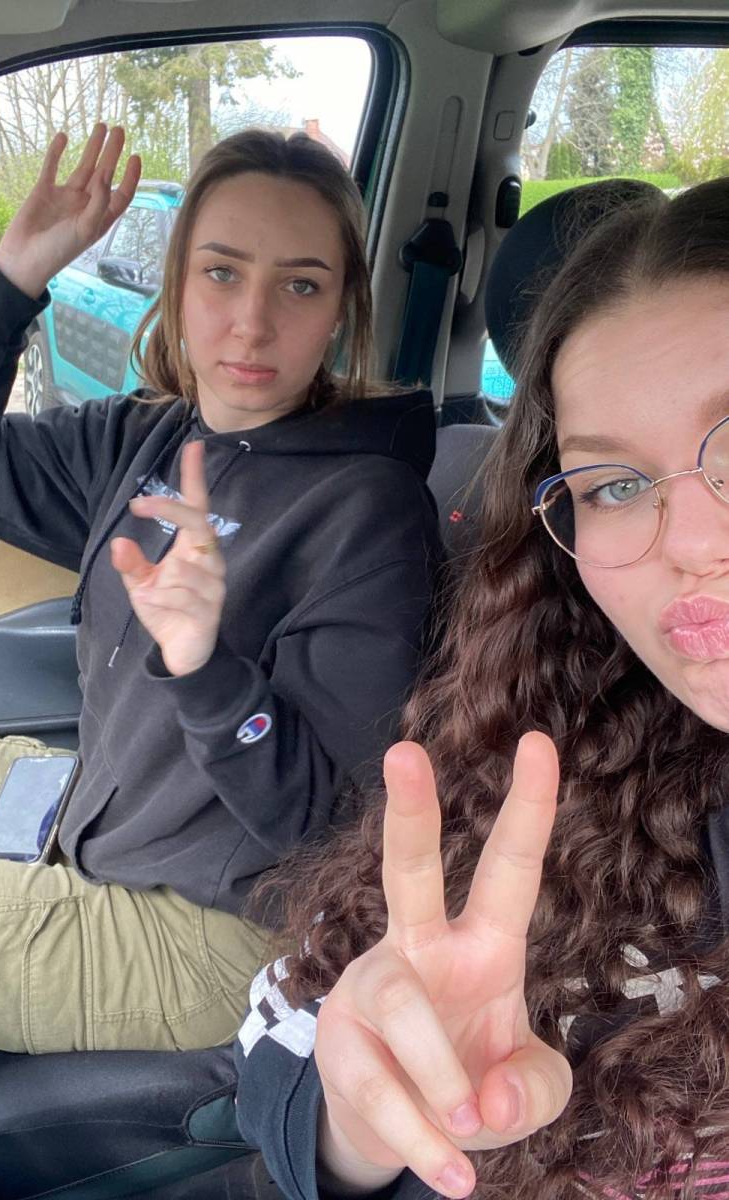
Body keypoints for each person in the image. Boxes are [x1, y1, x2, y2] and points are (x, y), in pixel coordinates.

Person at [0, 124, 440, 1141]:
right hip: (90, 817)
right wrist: (13, 279)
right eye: (221, 272)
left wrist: (204, 665)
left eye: (299, 285)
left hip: (207, 928)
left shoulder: (366, 512)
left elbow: (320, 833)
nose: (251, 322)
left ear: (341, 311)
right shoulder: (149, 434)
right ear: (179, 282)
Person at [234, 175, 729, 1200]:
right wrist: (365, 1121)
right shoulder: (580, 745)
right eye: (616, 486)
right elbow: (301, 1019)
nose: (688, 540)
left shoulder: (359, 505)